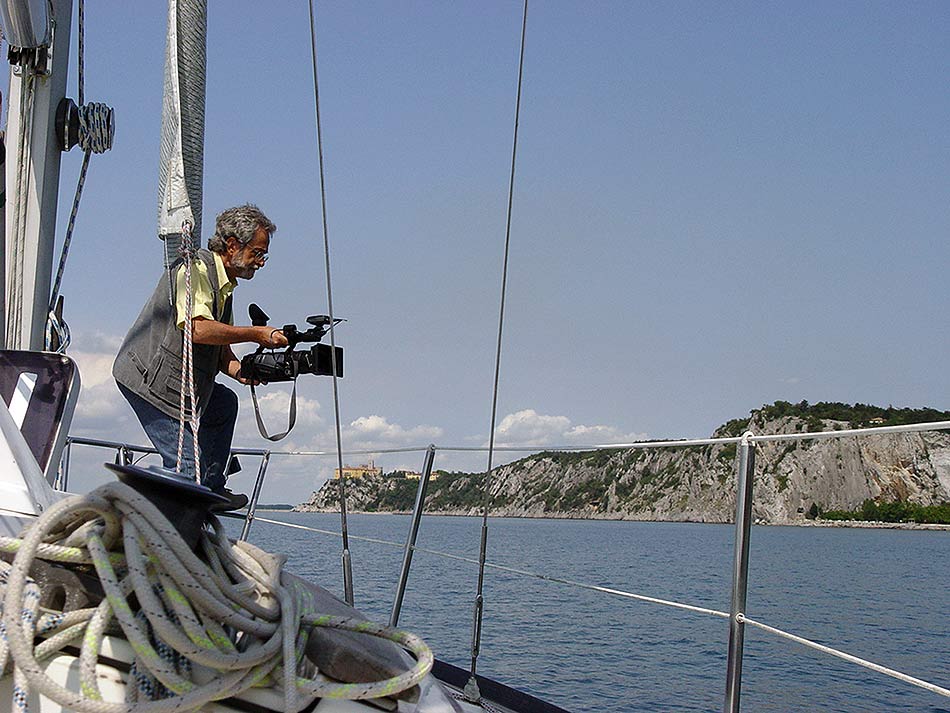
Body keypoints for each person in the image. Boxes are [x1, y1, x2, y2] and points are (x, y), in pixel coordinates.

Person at [113, 204, 288, 509]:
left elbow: (221, 353)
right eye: (258, 253)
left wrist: (245, 371)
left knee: (223, 404)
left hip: (181, 386)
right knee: (185, 470)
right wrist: (256, 334)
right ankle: (173, 535)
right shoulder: (194, 270)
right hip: (149, 382)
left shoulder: (225, 287)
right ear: (233, 244)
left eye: (263, 255)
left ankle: (211, 489)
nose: (260, 262)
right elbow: (198, 329)